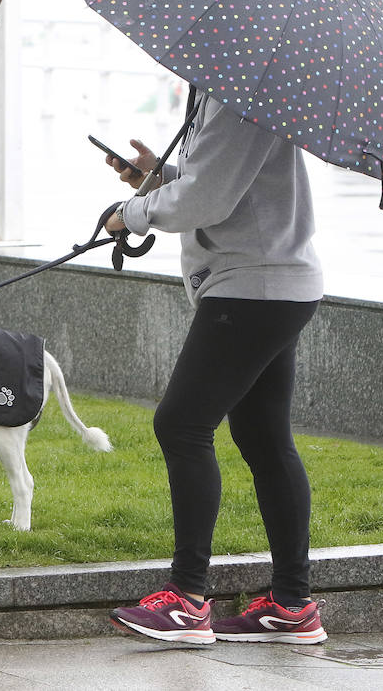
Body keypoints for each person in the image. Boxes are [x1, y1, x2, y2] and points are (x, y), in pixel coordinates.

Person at [102, 87, 327, 646]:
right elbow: (228, 185)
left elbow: (209, 201)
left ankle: (186, 599)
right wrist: (159, 177)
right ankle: (291, 606)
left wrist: (131, 213)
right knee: (264, 438)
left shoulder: (241, 95)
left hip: (251, 286)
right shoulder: (241, 89)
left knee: (181, 424)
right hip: (274, 283)